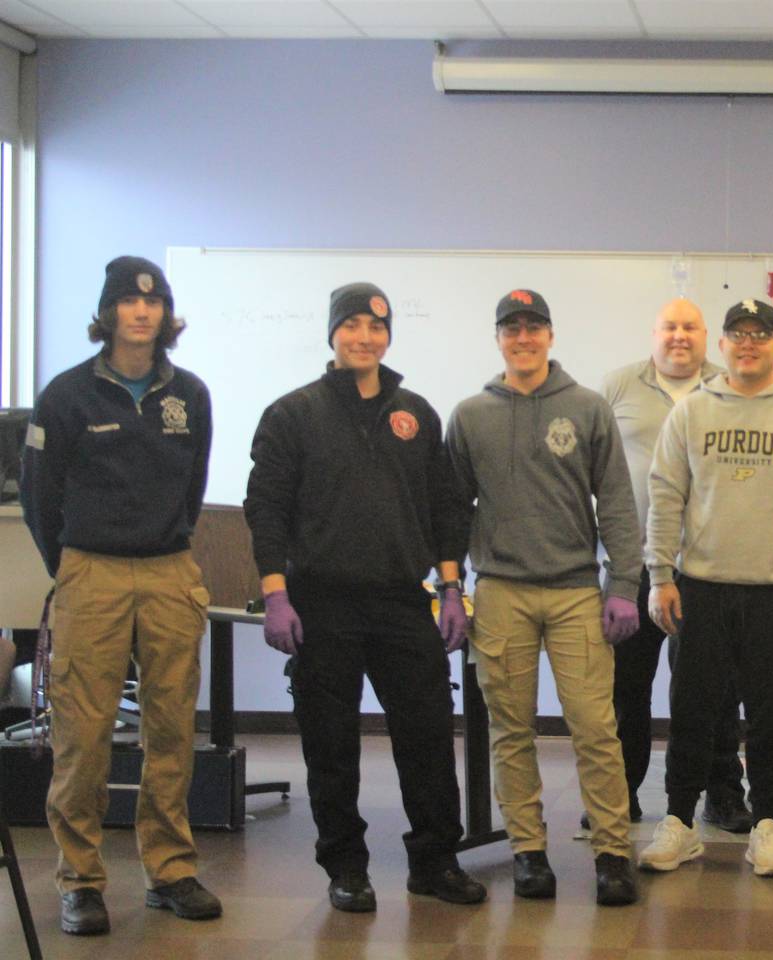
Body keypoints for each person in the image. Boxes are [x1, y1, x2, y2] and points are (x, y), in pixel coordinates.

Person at [244, 282, 486, 913]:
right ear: (332, 334)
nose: (364, 337)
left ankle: (434, 862)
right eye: (351, 325)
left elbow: (444, 508)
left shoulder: (417, 413)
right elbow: (265, 510)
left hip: (404, 603)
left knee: (429, 739)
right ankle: (346, 867)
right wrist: (276, 594)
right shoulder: (292, 414)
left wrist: (452, 588)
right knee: (331, 747)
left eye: (376, 327)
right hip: (319, 604)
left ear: (388, 336)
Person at [20, 255, 221, 935]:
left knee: (171, 728)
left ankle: (169, 870)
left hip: (168, 571)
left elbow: (192, 490)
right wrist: (72, 566)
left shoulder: (188, 394)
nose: (142, 312)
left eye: (155, 302)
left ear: (166, 315)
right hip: (92, 572)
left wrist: (164, 543)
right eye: (129, 304)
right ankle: (80, 880)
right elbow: (39, 498)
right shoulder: (66, 395)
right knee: (84, 731)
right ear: (108, 315)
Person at [447, 289, 643, 906]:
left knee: (595, 727)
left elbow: (615, 501)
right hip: (500, 591)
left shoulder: (586, 408)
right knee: (511, 730)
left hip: (576, 593)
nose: (523, 338)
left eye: (534, 328)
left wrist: (625, 586)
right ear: (499, 338)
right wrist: (450, 586)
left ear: (551, 337)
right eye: (512, 329)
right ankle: (528, 851)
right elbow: (451, 509)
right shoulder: (470, 414)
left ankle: (612, 853)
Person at [640, 297, 773, 878]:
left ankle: (767, 825)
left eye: (761, 333)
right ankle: (678, 822)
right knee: (691, 711)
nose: (749, 343)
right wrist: (660, 575)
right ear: (723, 345)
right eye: (738, 333)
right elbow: (665, 496)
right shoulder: (691, 412)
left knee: (768, 715)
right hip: (700, 588)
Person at [600, 298, 750, 834]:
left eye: (690, 327)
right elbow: (589, 472)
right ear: (654, 333)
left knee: (713, 689)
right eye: (670, 326)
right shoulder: (616, 387)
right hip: (632, 566)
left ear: (707, 336)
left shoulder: (731, 387)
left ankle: (722, 795)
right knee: (625, 691)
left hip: (708, 568)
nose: (679, 336)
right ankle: (619, 796)